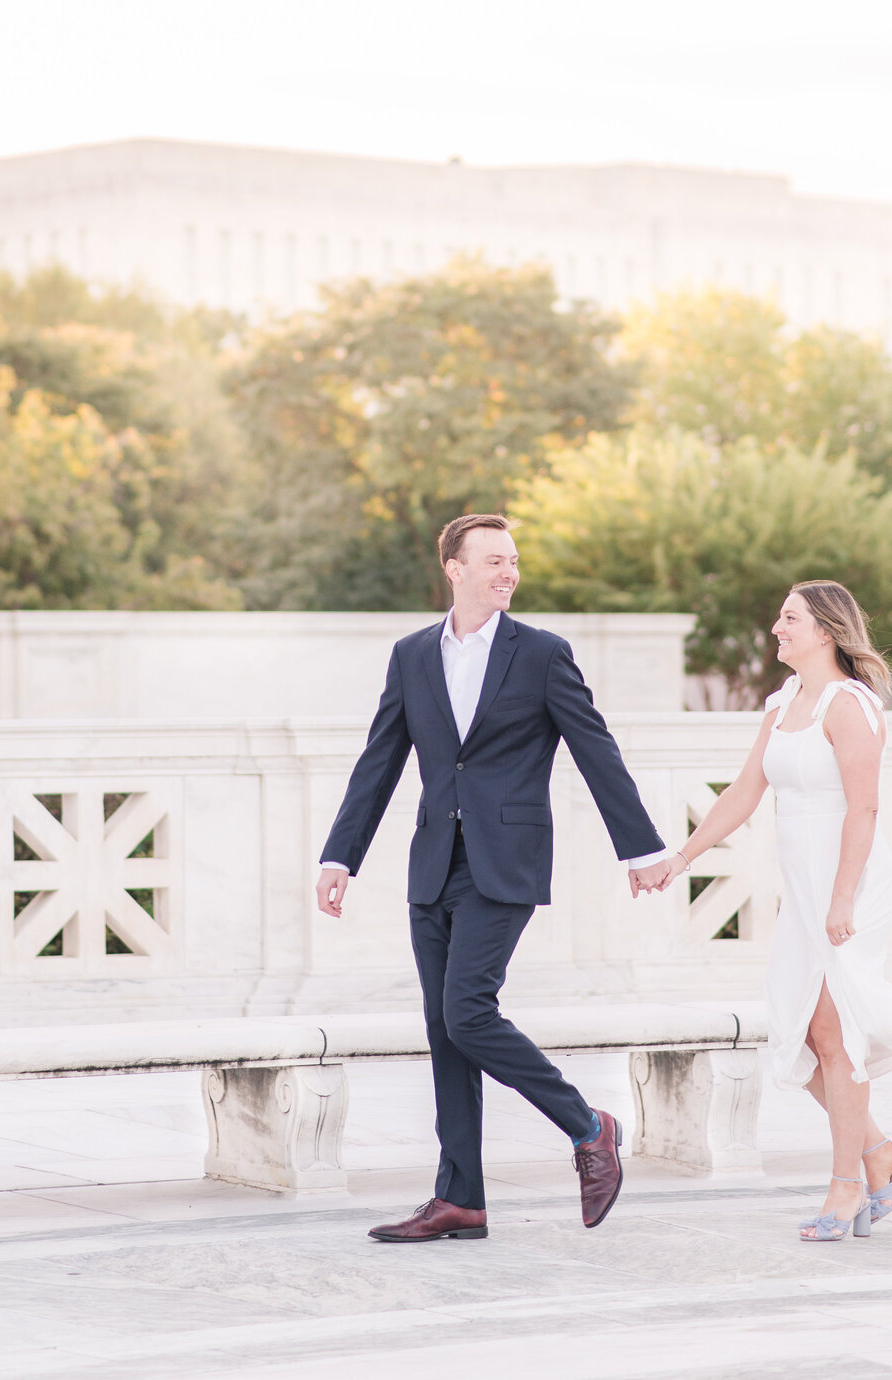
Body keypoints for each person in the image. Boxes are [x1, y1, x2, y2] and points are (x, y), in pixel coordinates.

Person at [316, 513, 670, 1243]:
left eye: (513, 561)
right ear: (454, 567)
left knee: (469, 1012)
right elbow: (380, 760)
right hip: (431, 866)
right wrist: (339, 855)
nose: (507, 573)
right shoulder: (413, 655)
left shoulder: (540, 653)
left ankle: (587, 1123)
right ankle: (461, 1199)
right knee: (446, 1032)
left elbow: (594, 749)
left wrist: (639, 850)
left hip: (503, 865)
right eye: (492, 561)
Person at [660, 579, 892, 1243]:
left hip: (851, 884)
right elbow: (744, 791)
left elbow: (865, 807)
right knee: (805, 1036)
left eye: (788, 619)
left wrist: (842, 897)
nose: (776, 630)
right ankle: (880, 1152)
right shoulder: (784, 703)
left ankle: (847, 1186)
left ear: (824, 630)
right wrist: (684, 856)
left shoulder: (851, 706)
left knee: (834, 1030)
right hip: (805, 890)